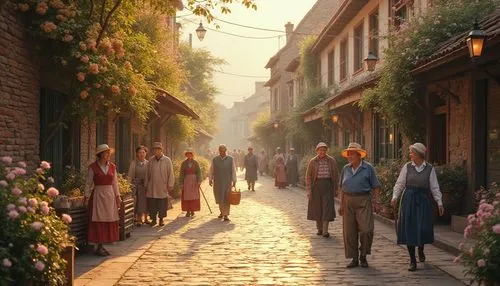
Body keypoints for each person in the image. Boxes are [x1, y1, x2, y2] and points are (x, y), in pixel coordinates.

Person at [391, 143, 444, 272]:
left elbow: (434, 187)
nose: (410, 155)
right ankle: (412, 260)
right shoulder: (407, 167)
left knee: (422, 227)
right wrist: (395, 197)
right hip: (409, 199)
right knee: (409, 228)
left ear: (419, 154)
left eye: (412, 153)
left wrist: (439, 202)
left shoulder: (429, 169)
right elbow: (400, 183)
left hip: (423, 200)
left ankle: (421, 248)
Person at [339, 142, 380, 268]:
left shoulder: (368, 168)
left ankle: (363, 255)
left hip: (363, 200)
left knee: (366, 230)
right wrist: (341, 204)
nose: (349, 157)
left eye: (352, 154)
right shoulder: (345, 168)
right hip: (348, 200)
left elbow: (376, 186)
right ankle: (354, 258)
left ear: (359, 155)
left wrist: (377, 202)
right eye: (348, 154)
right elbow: (341, 187)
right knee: (349, 231)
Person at [84, 144, 121, 256]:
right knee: (98, 219)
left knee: (108, 219)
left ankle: (103, 245)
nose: (107, 155)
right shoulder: (93, 167)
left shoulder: (112, 167)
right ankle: (99, 245)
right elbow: (88, 183)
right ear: (100, 155)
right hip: (98, 195)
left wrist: (118, 196)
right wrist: (86, 196)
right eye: (105, 153)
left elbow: (115, 183)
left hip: (109, 195)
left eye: (108, 153)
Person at [306, 142, 339, 238]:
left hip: (328, 185)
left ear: (326, 151)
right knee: (317, 208)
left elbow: (336, 175)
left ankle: (325, 230)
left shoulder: (331, 161)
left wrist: (336, 189)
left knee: (327, 208)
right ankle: (319, 228)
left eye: (324, 150)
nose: (322, 152)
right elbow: (308, 176)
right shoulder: (313, 161)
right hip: (316, 186)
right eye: (320, 150)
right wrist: (309, 190)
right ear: (317, 151)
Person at [145, 142, 175, 227]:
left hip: (163, 185)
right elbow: (147, 173)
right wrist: (146, 184)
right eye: (154, 149)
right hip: (152, 185)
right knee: (152, 204)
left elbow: (171, 173)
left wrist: (170, 184)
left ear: (161, 150)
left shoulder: (167, 160)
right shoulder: (151, 160)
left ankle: (161, 219)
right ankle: (153, 219)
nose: (156, 151)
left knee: (162, 204)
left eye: (158, 149)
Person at [209, 144, 237, 221]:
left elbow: (233, 170)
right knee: (219, 197)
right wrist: (210, 179)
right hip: (218, 181)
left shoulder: (230, 159)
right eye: (221, 151)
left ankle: (226, 215)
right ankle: (222, 212)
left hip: (227, 181)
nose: (222, 152)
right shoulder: (215, 159)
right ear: (219, 151)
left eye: (223, 151)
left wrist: (234, 180)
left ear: (226, 151)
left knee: (227, 198)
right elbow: (211, 170)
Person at [127, 145, 150, 226]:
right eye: (139, 152)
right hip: (137, 185)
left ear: (146, 153)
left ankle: (146, 218)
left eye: (143, 152)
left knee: (147, 202)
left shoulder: (148, 163)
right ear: (137, 154)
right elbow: (130, 175)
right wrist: (128, 186)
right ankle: (139, 219)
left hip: (146, 186)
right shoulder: (134, 163)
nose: (141, 154)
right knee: (139, 202)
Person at [180, 149, 202, 217]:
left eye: (190, 154)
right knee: (187, 196)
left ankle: (192, 210)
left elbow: (198, 172)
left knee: (193, 196)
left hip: (194, 181)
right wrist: (181, 182)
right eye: (188, 154)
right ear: (186, 155)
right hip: (186, 180)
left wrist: (199, 180)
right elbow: (182, 173)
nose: (189, 155)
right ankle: (188, 211)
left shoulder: (195, 163)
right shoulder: (184, 163)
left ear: (192, 155)